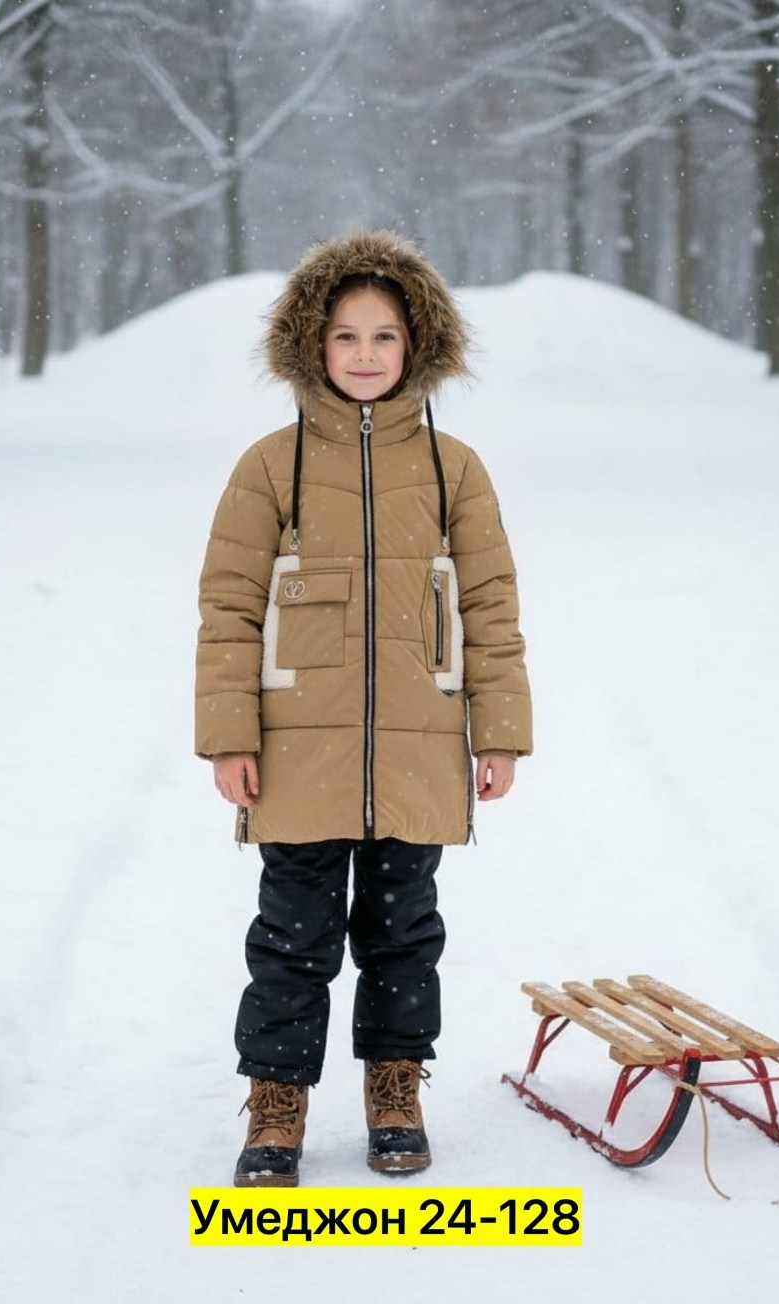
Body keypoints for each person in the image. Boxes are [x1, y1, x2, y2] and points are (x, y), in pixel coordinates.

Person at [195, 230, 532, 1187]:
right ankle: (277, 1103)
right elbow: (228, 607)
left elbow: (490, 606)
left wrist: (500, 732)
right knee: (290, 942)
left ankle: (395, 1089)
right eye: (346, 336)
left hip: (419, 751)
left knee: (403, 936)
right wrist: (228, 738)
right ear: (313, 343)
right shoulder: (272, 466)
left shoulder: (455, 468)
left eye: (385, 336)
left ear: (418, 344)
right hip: (297, 755)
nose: (366, 354)